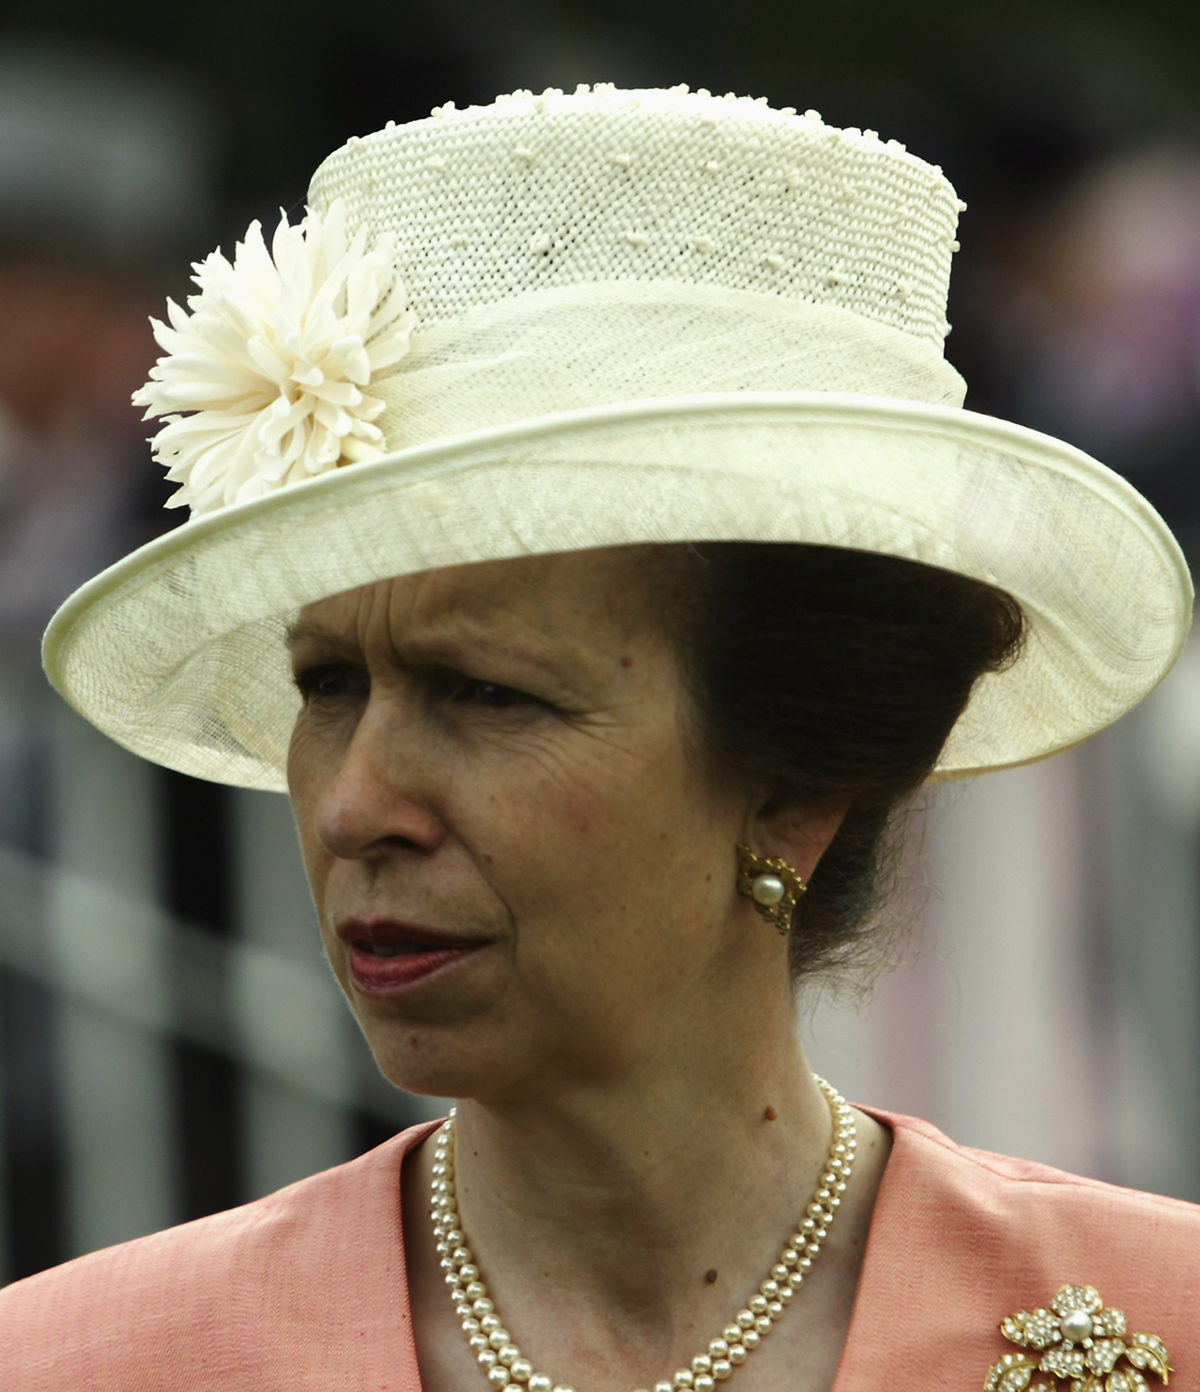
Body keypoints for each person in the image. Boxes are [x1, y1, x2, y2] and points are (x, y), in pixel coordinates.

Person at [3, 85, 1196, 1392]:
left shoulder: (1155, 1327)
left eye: (489, 695)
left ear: (801, 781)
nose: (355, 805)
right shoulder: (85, 1363)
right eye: (330, 684)